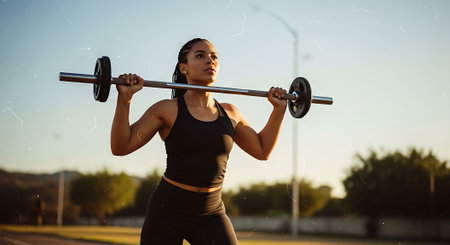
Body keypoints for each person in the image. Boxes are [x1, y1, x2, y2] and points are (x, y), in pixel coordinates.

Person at [111, 38, 287, 244]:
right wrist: (125, 100)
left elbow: (262, 150)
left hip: (211, 213)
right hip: (167, 212)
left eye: (214, 57)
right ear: (183, 68)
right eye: (200, 55)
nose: (210, 61)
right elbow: (121, 147)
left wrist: (279, 110)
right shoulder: (166, 109)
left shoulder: (231, 113)